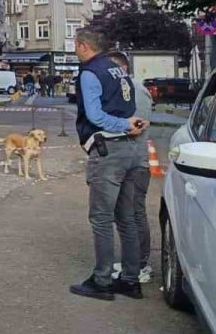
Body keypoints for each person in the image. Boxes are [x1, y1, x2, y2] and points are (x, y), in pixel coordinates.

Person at [68, 29, 146, 301]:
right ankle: (130, 280)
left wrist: (123, 125)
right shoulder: (117, 69)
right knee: (127, 218)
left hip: (109, 149)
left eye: (75, 45)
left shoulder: (90, 72)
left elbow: (95, 114)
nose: (75, 49)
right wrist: (131, 124)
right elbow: (128, 105)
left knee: (101, 218)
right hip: (133, 150)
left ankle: (101, 281)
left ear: (83, 45)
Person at [107, 51, 154, 284]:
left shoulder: (136, 90)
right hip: (125, 161)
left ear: (122, 69)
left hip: (136, 162)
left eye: (111, 70)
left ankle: (141, 265)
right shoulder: (123, 90)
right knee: (126, 213)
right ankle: (131, 262)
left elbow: (138, 126)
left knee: (134, 213)